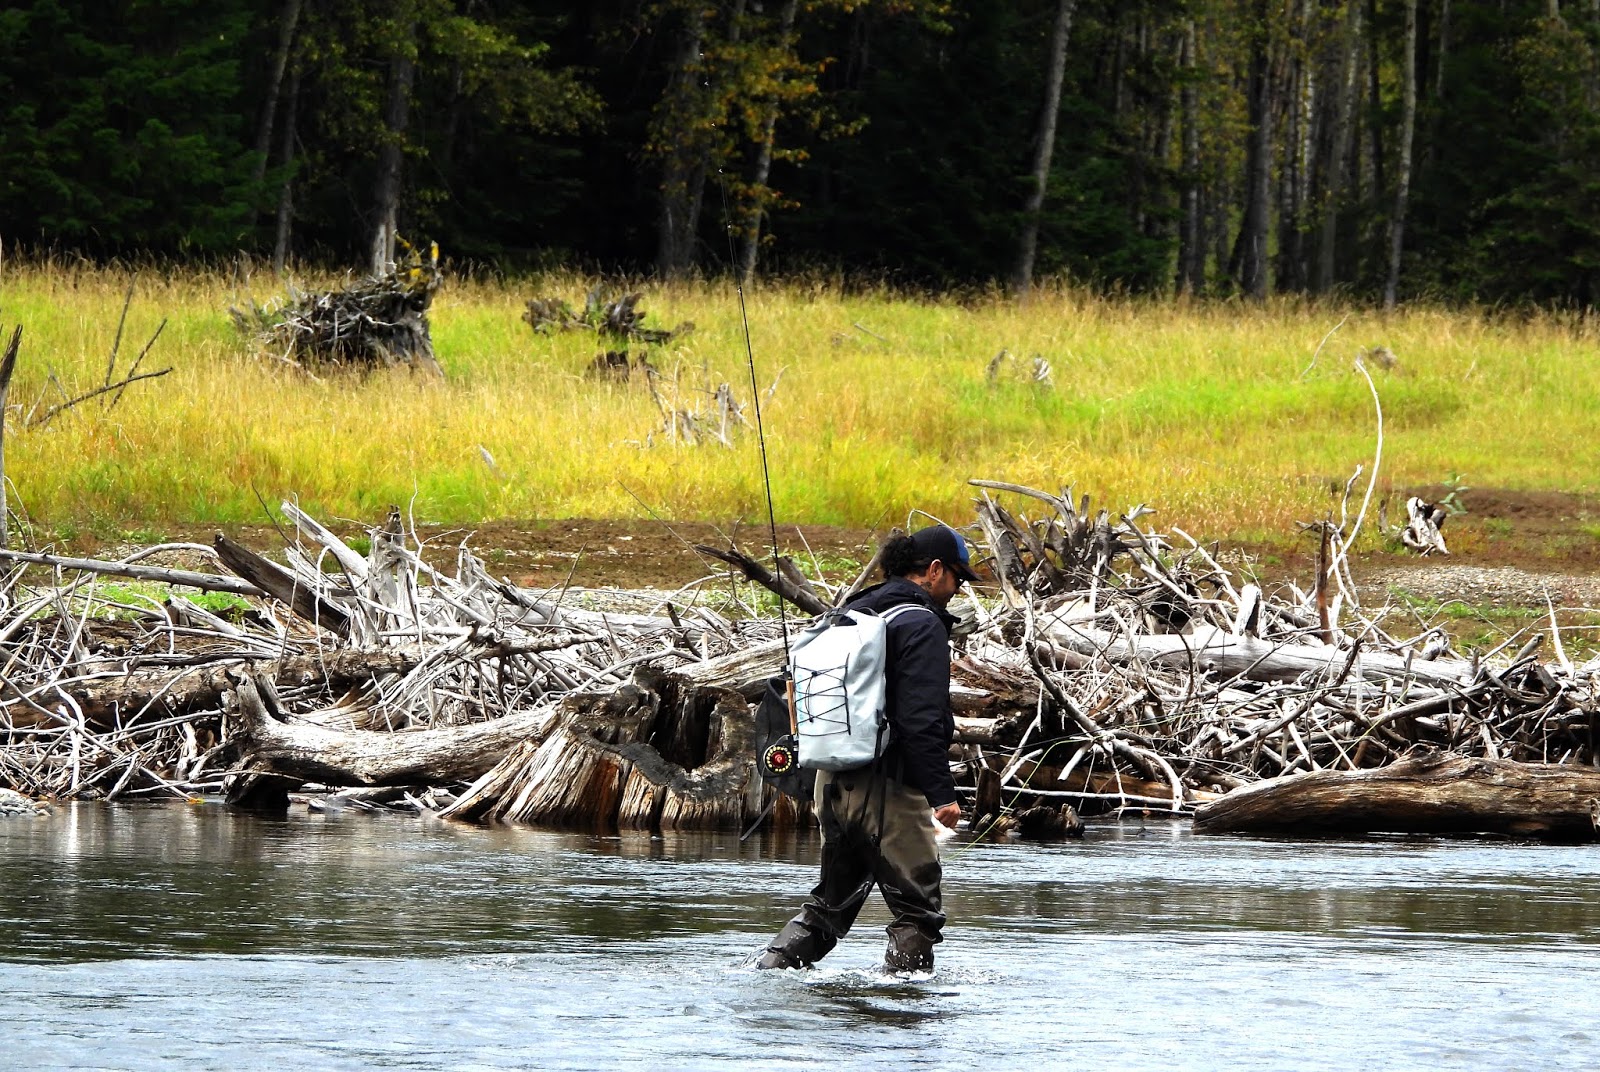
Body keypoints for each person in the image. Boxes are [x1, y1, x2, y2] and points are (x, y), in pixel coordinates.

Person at [755, 523, 979, 973]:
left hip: (832, 785)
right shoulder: (922, 623)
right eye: (957, 576)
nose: (956, 589)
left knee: (830, 906)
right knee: (917, 911)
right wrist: (942, 794)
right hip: (889, 791)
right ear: (934, 570)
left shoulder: (853, 611)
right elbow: (921, 719)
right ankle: (903, 1017)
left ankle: (766, 973)